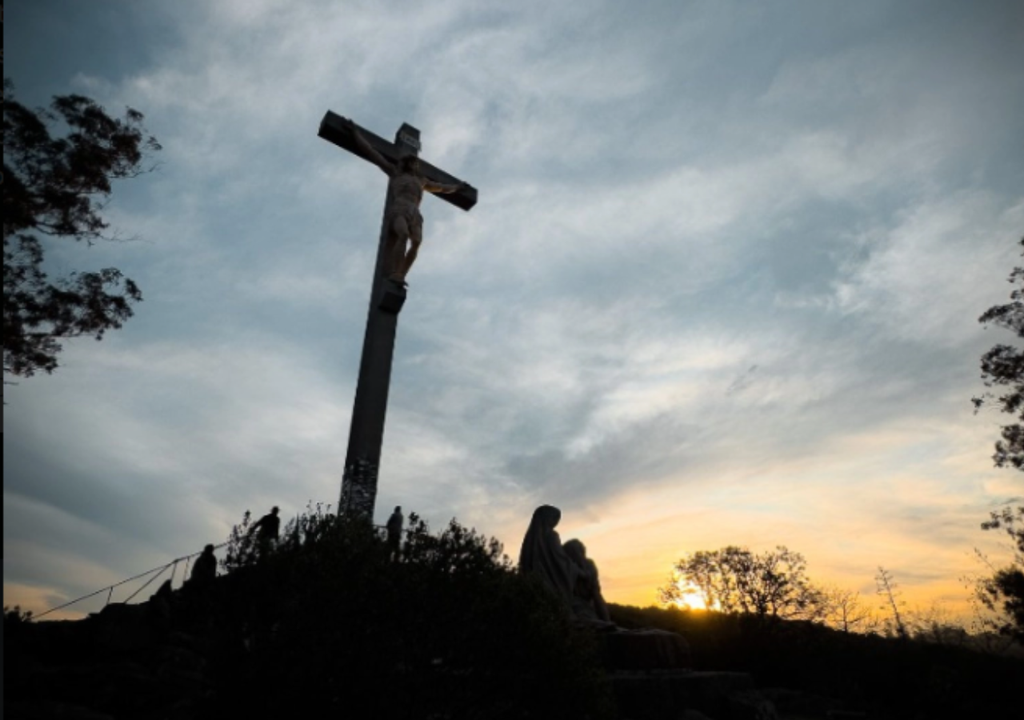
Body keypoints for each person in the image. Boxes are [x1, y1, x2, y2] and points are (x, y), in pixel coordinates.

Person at [343, 118, 467, 284]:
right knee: (402, 234)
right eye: (408, 162)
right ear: (403, 163)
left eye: (412, 163)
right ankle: (394, 272)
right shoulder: (396, 173)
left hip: (415, 212)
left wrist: (458, 187)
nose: (410, 164)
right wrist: (355, 132)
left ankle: (400, 274)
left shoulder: (422, 181)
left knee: (416, 243)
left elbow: (443, 188)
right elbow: (372, 152)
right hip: (400, 208)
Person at [563, 539, 612, 624]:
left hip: (587, 608)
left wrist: (607, 621)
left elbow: (597, 596)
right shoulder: (567, 569)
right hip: (574, 609)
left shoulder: (589, 565)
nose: (581, 555)